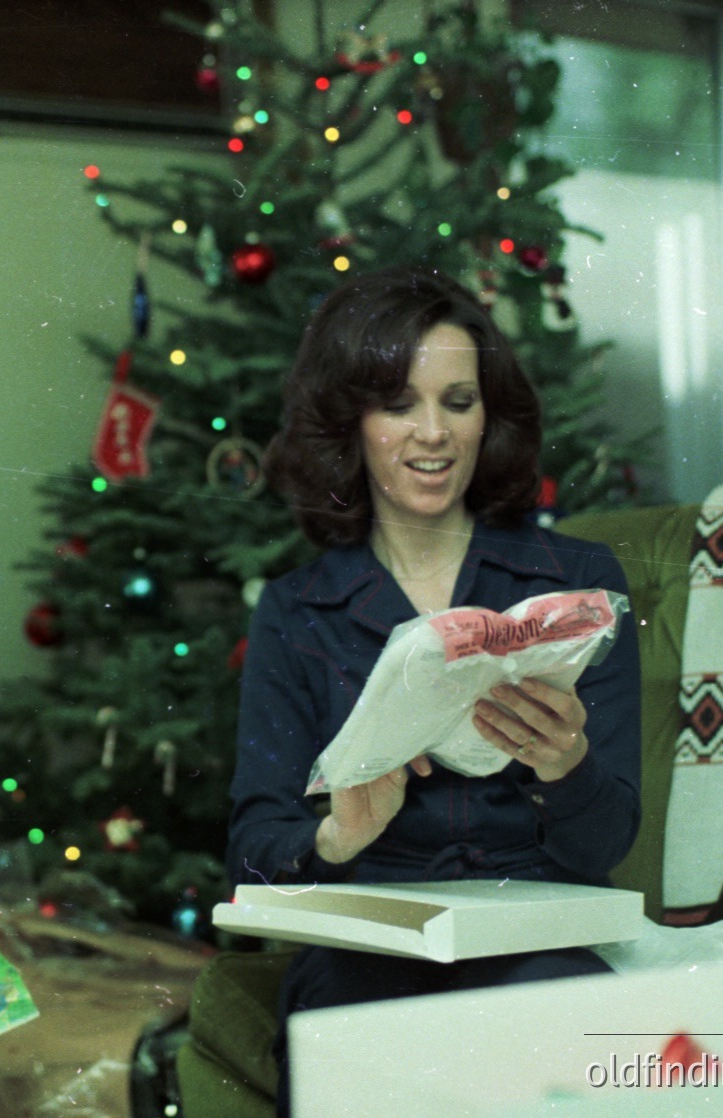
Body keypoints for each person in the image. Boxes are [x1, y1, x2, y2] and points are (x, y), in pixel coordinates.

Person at [228, 269, 641, 1115]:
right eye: (398, 404)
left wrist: (569, 766)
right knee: (344, 1025)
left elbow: (607, 843)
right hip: (368, 945)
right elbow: (254, 841)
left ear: (489, 419)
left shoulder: (580, 584)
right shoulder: (296, 610)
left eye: (458, 401)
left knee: (569, 1015)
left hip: (533, 933)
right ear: (352, 423)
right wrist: (338, 836)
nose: (433, 434)